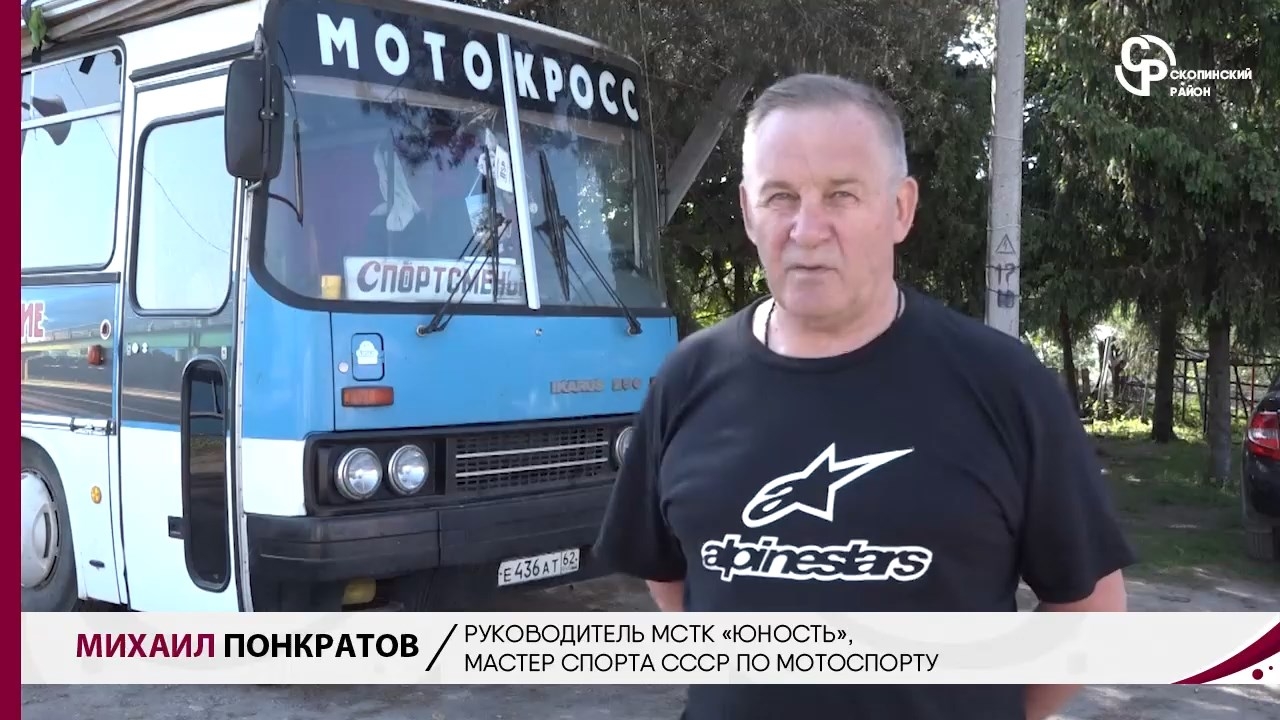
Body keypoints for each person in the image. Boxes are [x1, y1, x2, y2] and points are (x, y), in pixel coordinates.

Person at [592, 73, 1136, 720]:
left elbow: (1090, 608)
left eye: (842, 195)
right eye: (780, 196)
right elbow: (667, 573)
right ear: (747, 210)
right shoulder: (686, 380)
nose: (807, 229)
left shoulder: (1002, 385)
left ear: (901, 209)